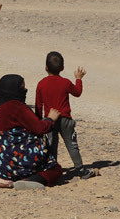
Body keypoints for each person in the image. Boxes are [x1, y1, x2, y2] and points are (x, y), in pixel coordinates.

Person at [0, 74, 63, 190]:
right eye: (22, 88)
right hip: (13, 167)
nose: (25, 91)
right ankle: (29, 180)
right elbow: (40, 128)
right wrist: (50, 119)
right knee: (55, 169)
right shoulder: (16, 107)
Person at [35, 51, 95, 179]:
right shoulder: (65, 82)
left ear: (46, 67)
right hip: (65, 119)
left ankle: (53, 169)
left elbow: (38, 106)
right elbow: (77, 92)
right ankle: (80, 170)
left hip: (50, 119)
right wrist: (78, 79)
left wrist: (39, 123)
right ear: (62, 68)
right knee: (71, 144)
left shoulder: (41, 84)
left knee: (52, 145)